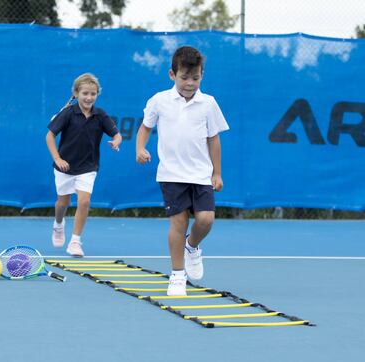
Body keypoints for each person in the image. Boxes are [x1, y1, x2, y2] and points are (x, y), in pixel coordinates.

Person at [136, 46, 229, 296]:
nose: (189, 83)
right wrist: (140, 148)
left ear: (202, 76)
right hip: (171, 174)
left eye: (195, 78)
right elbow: (145, 127)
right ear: (172, 74)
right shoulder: (159, 101)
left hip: (201, 174)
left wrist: (216, 173)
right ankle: (177, 275)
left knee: (206, 219)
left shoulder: (208, 103)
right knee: (178, 222)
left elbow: (214, 139)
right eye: (184, 77)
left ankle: (192, 246)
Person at [46, 73, 122, 257]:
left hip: (88, 167)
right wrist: (57, 159)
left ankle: (75, 241)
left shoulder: (100, 115)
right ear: (76, 93)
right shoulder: (68, 113)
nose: (89, 97)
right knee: (62, 203)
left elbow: (116, 134)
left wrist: (116, 141)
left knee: (84, 201)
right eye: (85, 93)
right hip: (64, 167)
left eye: (93, 94)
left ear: (97, 95)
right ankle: (58, 224)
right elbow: (49, 136)